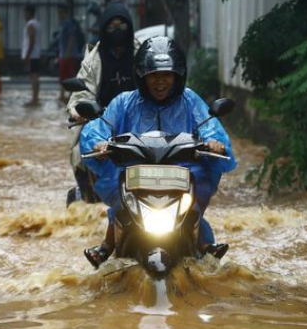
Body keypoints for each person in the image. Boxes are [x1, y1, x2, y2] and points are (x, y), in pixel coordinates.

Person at [80, 36, 236, 268]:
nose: (160, 82)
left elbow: (210, 127)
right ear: (142, 76)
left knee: (193, 205)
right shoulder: (124, 102)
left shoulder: (191, 101)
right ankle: (107, 244)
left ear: (177, 76)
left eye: (166, 75)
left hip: (183, 174)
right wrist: (99, 144)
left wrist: (214, 143)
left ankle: (203, 244)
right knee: (121, 203)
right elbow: (98, 128)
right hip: (135, 175)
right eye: (153, 75)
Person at [65, 1, 138, 205]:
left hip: (141, 120)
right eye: (112, 26)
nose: (117, 31)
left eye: (122, 26)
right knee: (80, 154)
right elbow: (82, 90)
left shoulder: (141, 53)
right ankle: (89, 195)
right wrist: (78, 110)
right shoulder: (93, 60)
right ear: (104, 28)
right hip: (102, 121)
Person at [57, 3, 84, 104]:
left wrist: (67, 53)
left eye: (61, 12)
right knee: (64, 75)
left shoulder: (68, 23)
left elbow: (72, 38)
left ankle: (68, 96)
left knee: (68, 75)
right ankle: (63, 95)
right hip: (65, 54)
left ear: (65, 13)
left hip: (69, 55)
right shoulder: (63, 23)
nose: (59, 14)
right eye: (59, 12)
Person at [22, 4, 42, 106]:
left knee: (33, 76)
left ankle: (34, 99)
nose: (24, 15)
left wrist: (27, 55)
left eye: (25, 12)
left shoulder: (30, 24)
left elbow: (31, 40)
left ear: (29, 13)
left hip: (32, 54)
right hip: (36, 54)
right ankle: (36, 98)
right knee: (35, 76)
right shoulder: (36, 23)